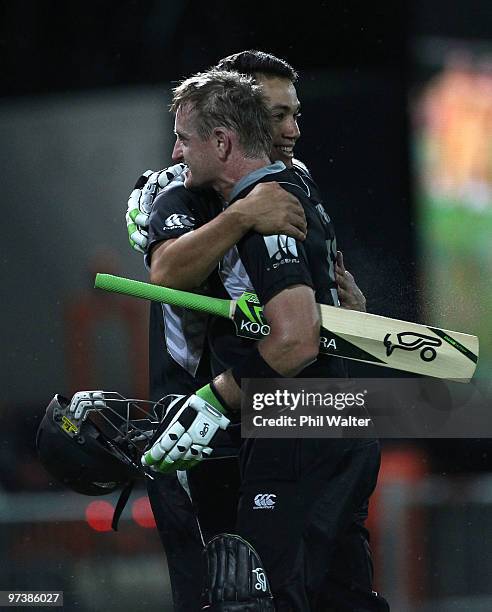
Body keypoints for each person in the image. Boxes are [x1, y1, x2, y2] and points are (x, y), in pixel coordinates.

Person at [126, 51, 369, 611]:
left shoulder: (287, 185)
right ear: (235, 125)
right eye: (272, 114)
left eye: (292, 115)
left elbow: (298, 331)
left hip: (276, 414)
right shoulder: (187, 188)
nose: (287, 130)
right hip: (244, 421)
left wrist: (341, 302)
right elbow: (165, 271)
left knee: (255, 596)